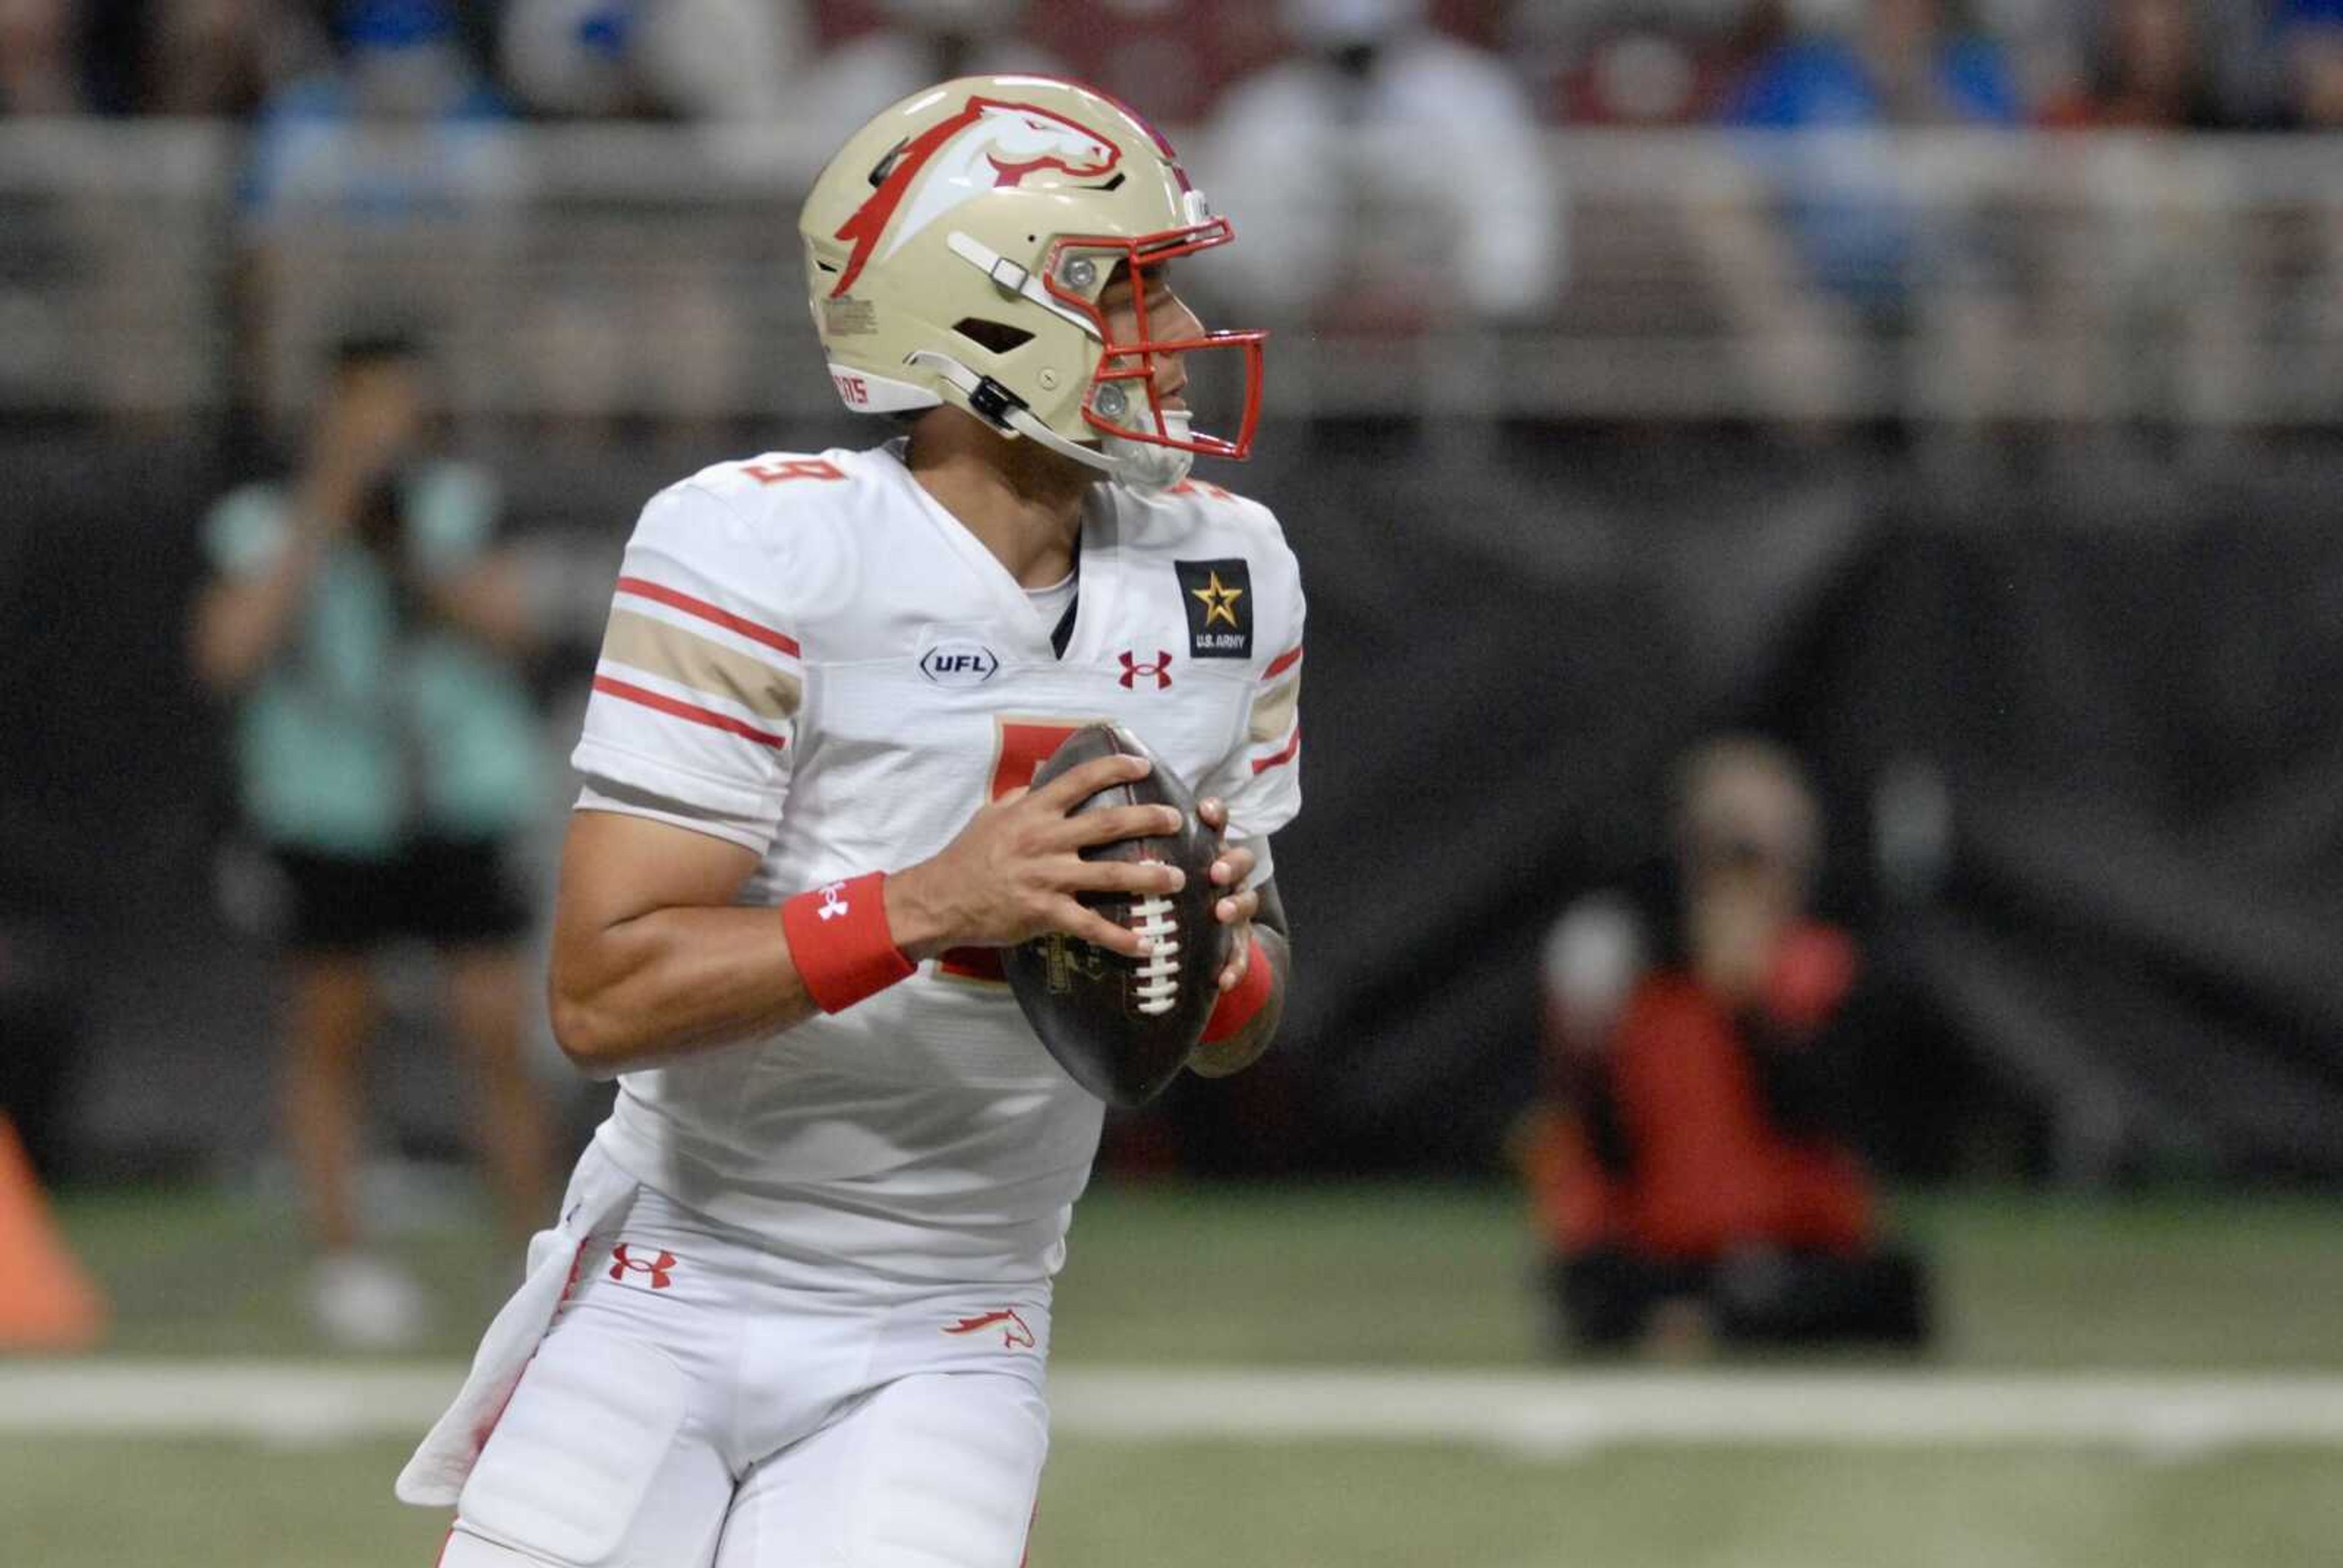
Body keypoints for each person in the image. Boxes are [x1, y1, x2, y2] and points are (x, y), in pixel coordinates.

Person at [397, 76, 1303, 1567]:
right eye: (1127, 287)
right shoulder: (764, 543)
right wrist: (934, 901)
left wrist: (1211, 960)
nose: (1178, 335)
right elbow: (604, 991)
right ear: (986, 317)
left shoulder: (1232, 573)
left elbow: (1245, 1003)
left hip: (959, 1322)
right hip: (673, 1284)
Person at [189, 330, 555, 1349]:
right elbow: (227, 652)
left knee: (493, 1027)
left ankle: (526, 1255)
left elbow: (516, 624)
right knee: (330, 1032)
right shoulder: (259, 522)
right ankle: (346, 1262)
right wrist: (320, 521)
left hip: (457, 799)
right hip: (330, 807)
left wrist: (406, 552)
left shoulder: (459, 509)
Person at [1518, 738, 1928, 1355]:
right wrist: (1586, 1050)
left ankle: (1713, 1321)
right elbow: (1604, 1145)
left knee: (1888, 1286)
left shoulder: (1832, 968)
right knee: (1591, 1286)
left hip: (1789, 1241)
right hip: (1665, 1240)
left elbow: (1843, 1125)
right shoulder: (1642, 978)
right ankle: (1700, 1316)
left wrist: (1757, 1010)